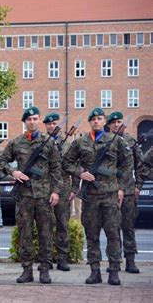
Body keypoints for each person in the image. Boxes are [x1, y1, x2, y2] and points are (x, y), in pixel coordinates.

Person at [63, 108, 131, 285]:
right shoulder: (80, 142)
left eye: (99, 119)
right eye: (93, 119)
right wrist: (80, 172)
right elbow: (66, 162)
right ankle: (95, 271)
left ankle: (114, 272)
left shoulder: (115, 141)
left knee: (113, 234)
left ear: (104, 122)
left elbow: (127, 163)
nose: (96, 121)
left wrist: (121, 186)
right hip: (90, 196)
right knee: (91, 235)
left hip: (110, 195)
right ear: (90, 122)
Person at [0, 107, 61, 284]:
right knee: (25, 233)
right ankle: (27, 270)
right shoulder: (16, 142)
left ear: (39, 120)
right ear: (24, 122)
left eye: (35, 119)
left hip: (43, 196)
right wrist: (13, 172)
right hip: (24, 195)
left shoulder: (48, 142)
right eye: (29, 119)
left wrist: (56, 191)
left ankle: (45, 270)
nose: (32, 122)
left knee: (45, 233)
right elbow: (0, 161)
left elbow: (56, 168)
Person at [107, 111, 142, 274]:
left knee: (128, 227)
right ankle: (114, 261)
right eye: (113, 122)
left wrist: (139, 185)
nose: (116, 124)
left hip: (128, 192)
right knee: (112, 228)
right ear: (109, 125)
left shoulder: (130, 141)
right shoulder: (104, 141)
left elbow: (140, 165)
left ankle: (130, 261)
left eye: (118, 121)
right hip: (109, 192)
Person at [43, 113, 75, 271]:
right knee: (46, 225)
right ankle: (47, 259)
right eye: (48, 124)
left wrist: (74, 188)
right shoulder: (41, 142)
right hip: (45, 187)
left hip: (62, 187)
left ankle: (62, 259)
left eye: (54, 123)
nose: (51, 126)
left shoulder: (67, 144)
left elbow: (75, 165)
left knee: (62, 224)